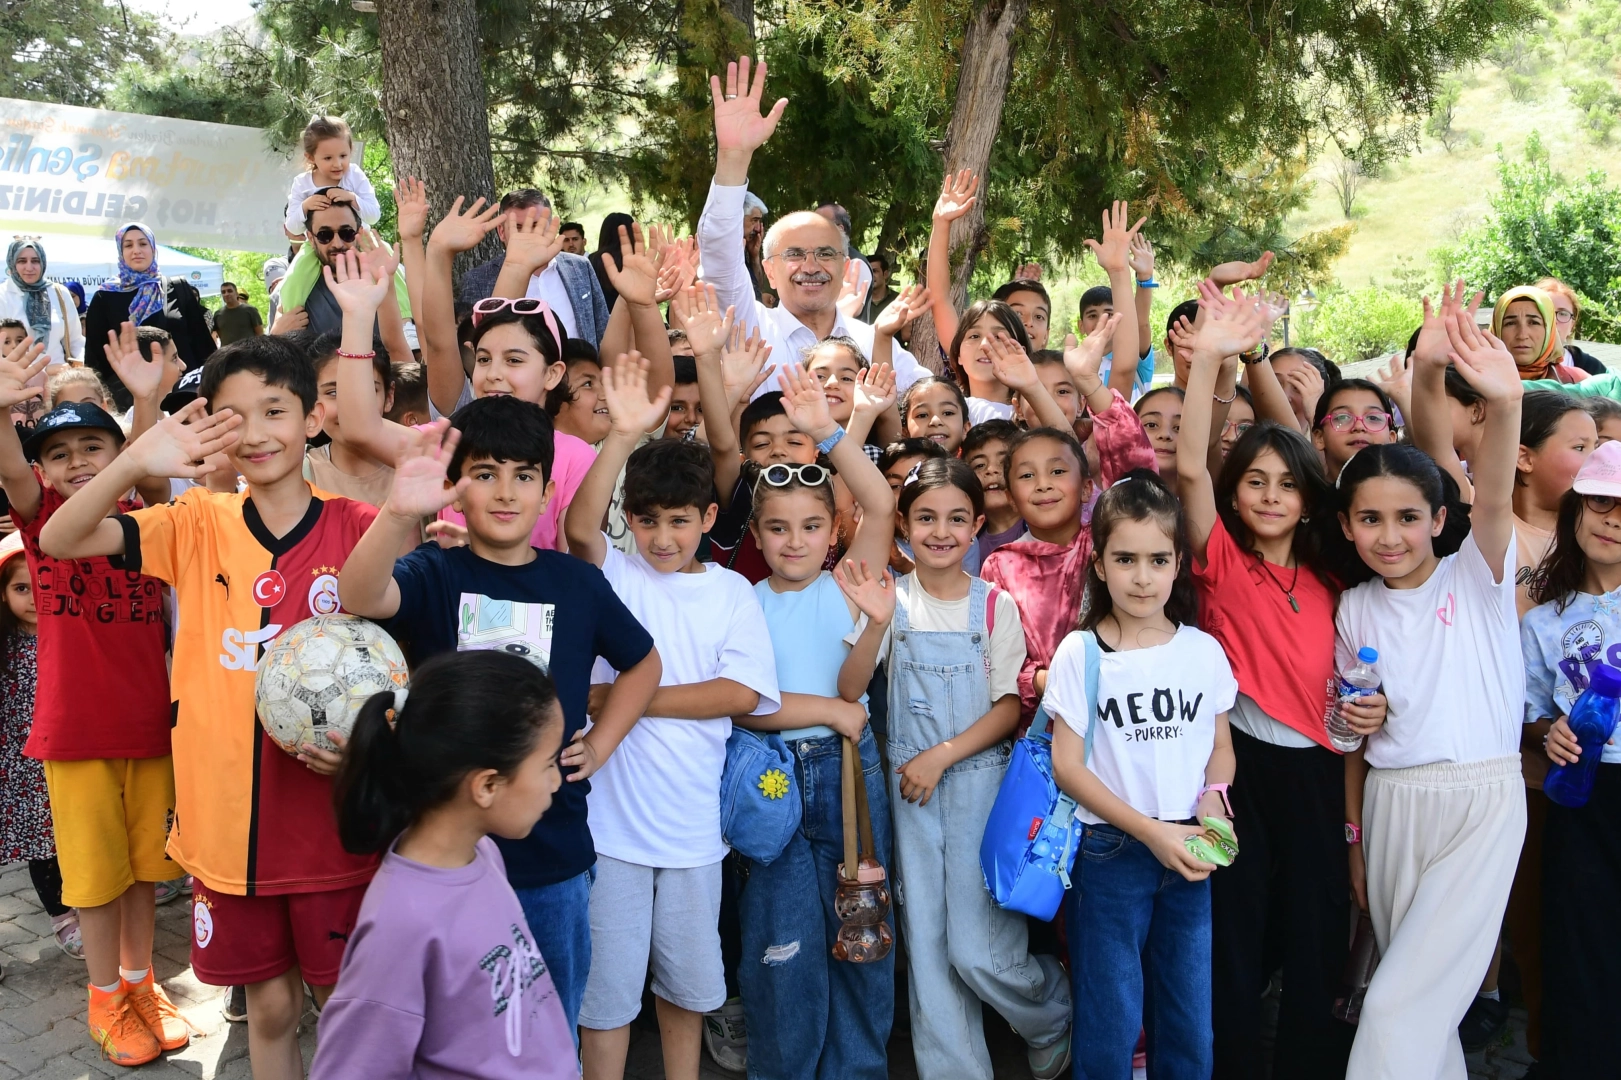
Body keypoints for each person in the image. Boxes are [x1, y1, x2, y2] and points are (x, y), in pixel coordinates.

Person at [38, 335, 386, 1080]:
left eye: (274, 411)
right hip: (226, 839)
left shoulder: (358, 525)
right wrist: (134, 458)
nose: (256, 433)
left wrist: (373, 742)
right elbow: (62, 538)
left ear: (312, 418)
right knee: (267, 1010)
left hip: (331, 830)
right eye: (232, 417)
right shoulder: (193, 523)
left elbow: (404, 665)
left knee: (343, 1003)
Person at [335, 397, 662, 1031]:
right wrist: (399, 509)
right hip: (446, 856)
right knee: (453, 1031)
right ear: (457, 490)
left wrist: (600, 745)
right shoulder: (434, 571)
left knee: (548, 1028)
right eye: (485, 473)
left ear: (548, 491)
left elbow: (643, 664)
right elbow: (359, 594)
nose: (506, 492)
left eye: (524, 475)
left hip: (553, 857)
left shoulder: (577, 582)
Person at [562, 355, 779, 1080]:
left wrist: (623, 701)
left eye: (679, 522)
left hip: (694, 835)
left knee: (686, 994)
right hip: (610, 831)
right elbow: (577, 524)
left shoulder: (730, 593)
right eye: (647, 521)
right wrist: (621, 436)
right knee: (607, 998)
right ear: (631, 520)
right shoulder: (612, 573)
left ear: (708, 519)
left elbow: (740, 694)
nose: (662, 537)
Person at [1176, 289, 1373, 1077]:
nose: (1266, 496)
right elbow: (1190, 462)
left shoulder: (1337, 577)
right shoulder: (1220, 560)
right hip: (1240, 770)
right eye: (1253, 482)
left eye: (1284, 485)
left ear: (1307, 498)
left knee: (1316, 934)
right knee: (1235, 927)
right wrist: (1210, 360)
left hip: (1323, 774)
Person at [1336, 302, 1528, 1078]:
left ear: (1437, 518)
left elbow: (1492, 498)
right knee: (1424, 1016)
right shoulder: (1352, 607)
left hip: (1480, 802)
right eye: (1370, 519)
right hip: (1389, 805)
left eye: (1408, 518)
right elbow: (1350, 731)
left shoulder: (1478, 576)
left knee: (1390, 1005)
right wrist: (1358, 724)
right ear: (1346, 527)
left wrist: (1501, 399)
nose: (1389, 535)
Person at [0, 331, 185, 1066]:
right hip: (74, 735)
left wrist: (145, 400)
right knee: (95, 880)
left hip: (150, 727)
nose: (78, 463)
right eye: (61, 453)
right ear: (43, 468)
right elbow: (11, 469)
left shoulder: (144, 518)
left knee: (146, 873)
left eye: (93, 448)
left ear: (119, 457)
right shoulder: (42, 518)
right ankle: (105, 995)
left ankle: (143, 983)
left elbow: (152, 469)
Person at [883, 456, 1072, 1080]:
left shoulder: (994, 605)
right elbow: (851, 682)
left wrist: (941, 756)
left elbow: (1010, 704)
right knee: (929, 952)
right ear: (902, 526)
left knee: (977, 950)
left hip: (978, 786)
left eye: (957, 518)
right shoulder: (890, 600)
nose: (940, 531)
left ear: (976, 527)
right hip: (908, 795)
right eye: (925, 517)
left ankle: (1050, 1011)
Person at [733, 362, 897, 1079]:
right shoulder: (739, 601)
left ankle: (856, 1068)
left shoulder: (849, 583)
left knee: (858, 922)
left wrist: (829, 431)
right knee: (781, 939)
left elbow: (880, 500)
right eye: (776, 529)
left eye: (808, 526)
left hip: (846, 775)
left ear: (834, 528)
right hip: (769, 778)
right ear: (756, 534)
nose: (793, 541)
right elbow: (746, 703)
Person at [1047, 470, 1239, 1079]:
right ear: (1099, 564)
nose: (1141, 576)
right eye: (1125, 559)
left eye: (1158, 559)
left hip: (1191, 850)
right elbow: (1068, 768)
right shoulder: (1081, 653)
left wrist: (1213, 802)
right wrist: (1153, 833)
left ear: (1179, 563)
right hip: (1110, 853)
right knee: (1110, 1015)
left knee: (1188, 1015)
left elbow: (1220, 748)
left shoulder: (1202, 650)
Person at [308, 651, 576, 1080]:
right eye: (547, 765)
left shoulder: (484, 855)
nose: (556, 781)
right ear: (487, 785)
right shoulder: (401, 923)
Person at [697, 57, 927, 394]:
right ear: (769, 272)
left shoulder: (872, 343)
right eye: (793, 254)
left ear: (845, 267)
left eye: (824, 253)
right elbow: (718, 253)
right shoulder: (749, 330)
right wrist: (733, 158)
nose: (811, 266)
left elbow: (930, 401)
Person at [1521, 440, 1621, 1078]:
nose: (1613, 520)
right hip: (1579, 797)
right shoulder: (1544, 618)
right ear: (1576, 511)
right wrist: (1546, 733)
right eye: (1602, 503)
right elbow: (1528, 709)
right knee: (1579, 940)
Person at [981, 388, 1154, 729]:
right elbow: (996, 662)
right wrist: (1050, 680)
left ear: (1087, 488)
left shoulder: (1106, 543)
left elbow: (1137, 470)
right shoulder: (1001, 566)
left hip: (1129, 716)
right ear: (1012, 499)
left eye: (1058, 472)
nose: (1043, 485)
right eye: (1027, 476)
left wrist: (1090, 382)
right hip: (1047, 728)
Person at [0, 531, 79, 959]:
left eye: (39, 585)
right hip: (25, 766)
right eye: (19, 588)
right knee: (43, 845)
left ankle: (93, 907)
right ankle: (63, 917)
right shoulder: (6, 646)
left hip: (71, 754)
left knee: (80, 835)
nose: (32, 598)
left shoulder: (71, 634)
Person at [84, 224, 215, 410]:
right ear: (120, 251)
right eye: (128, 245)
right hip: (131, 400)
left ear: (153, 248)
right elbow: (95, 358)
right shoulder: (105, 297)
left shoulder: (177, 289)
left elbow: (203, 346)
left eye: (143, 243)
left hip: (185, 395)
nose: (136, 250)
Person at [456, 192, 610, 345]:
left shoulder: (580, 266)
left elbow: (603, 330)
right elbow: (473, 346)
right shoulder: (478, 280)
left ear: (552, 228)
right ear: (502, 232)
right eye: (518, 227)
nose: (528, 234)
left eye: (536, 225)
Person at [283, 116, 381, 241]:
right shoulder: (302, 183)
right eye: (328, 158)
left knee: (391, 260)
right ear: (311, 157)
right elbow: (292, 228)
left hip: (359, 242)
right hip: (321, 250)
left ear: (351, 150)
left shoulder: (354, 175)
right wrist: (305, 206)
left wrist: (351, 198)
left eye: (343, 156)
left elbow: (374, 216)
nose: (337, 164)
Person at [0, 238, 82, 367]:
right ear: (12, 264)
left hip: (60, 380)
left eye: (35, 261)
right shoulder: (3, 295)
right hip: (19, 379)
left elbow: (76, 341)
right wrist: (44, 372)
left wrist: (79, 366)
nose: (29, 267)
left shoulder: (59, 293)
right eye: (22, 261)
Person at [1311, 378, 1401, 482]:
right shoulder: (1302, 496)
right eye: (1343, 417)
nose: (1359, 426)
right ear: (1319, 437)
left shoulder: (1411, 495)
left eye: (1373, 418)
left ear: (1392, 438)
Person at [1495, 285, 1587, 384]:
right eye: (1511, 323)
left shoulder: (1578, 381)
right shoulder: (1478, 382)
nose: (1522, 335)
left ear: (1550, 331)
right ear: (1496, 329)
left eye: (1534, 322)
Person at [1537, 277, 1606, 376]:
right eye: (1546, 311)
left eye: (1563, 313)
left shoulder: (1593, 369)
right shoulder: (1510, 364)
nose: (1554, 320)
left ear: (1572, 326)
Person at [863, 251, 898, 323]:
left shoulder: (897, 300)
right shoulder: (860, 302)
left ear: (885, 274)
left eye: (874, 271)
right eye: (868, 271)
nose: (871, 275)